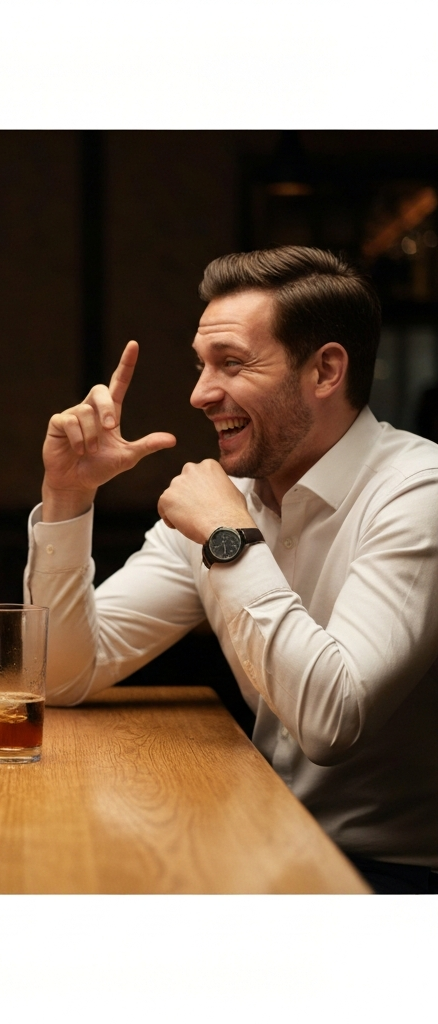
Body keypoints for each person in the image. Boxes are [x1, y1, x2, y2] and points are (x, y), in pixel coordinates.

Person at [27, 246, 438, 894]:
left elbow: (333, 722)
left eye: (232, 363)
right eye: (201, 365)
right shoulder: (227, 501)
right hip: (264, 838)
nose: (198, 393)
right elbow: (56, 676)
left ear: (326, 370)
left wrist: (230, 539)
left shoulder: (419, 493)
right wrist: (68, 497)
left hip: (392, 877)